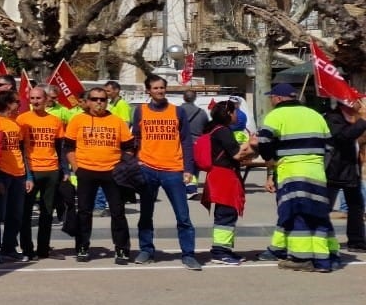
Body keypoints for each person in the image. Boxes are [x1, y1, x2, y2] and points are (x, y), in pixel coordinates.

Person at [251, 83, 335, 271]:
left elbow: (264, 142)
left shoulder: (275, 116)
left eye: (271, 97)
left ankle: (300, 258)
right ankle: (325, 259)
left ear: (279, 98)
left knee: (297, 213)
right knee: (318, 213)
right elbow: (330, 146)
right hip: (317, 171)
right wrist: (320, 165)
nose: (270, 100)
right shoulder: (315, 115)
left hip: (291, 171)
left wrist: (270, 161)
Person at [131, 75, 201, 269]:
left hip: (173, 170)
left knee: (183, 215)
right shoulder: (140, 111)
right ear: (149, 91)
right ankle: (146, 250)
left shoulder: (177, 112)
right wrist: (135, 163)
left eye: (162, 87)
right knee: (146, 213)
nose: (160, 91)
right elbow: (135, 139)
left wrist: (188, 168)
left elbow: (186, 142)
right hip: (147, 168)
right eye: (155, 88)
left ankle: (188, 254)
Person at [63, 86, 134, 263]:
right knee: (84, 212)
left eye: (102, 99)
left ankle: (122, 249)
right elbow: (68, 147)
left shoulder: (116, 121)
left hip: (112, 172)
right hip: (86, 170)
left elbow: (129, 148)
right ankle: (82, 246)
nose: (99, 102)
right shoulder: (77, 120)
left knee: (118, 212)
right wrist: (76, 167)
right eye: (95, 99)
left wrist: (121, 166)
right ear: (87, 102)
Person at [16, 85, 67, 259]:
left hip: (51, 170)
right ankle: (27, 250)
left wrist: (64, 169)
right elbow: (20, 148)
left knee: (47, 212)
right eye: (32, 98)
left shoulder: (55, 121)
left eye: (39, 98)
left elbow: (60, 148)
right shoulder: (22, 120)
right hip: (31, 171)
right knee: (26, 213)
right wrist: (26, 172)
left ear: (46, 100)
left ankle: (43, 249)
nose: (35, 101)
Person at [201, 99, 246, 263]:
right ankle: (220, 251)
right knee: (226, 213)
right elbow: (236, 154)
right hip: (224, 176)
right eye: (235, 112)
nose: (237, 115)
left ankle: (224, 248)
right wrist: (251, 144)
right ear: (228, 113)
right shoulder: (224, 131)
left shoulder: (213, 129)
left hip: (217, 175)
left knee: (225, 212)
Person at [324, 98, 366, 254]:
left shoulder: (355, 118)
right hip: (334, 169)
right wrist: (362, 122)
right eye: (357, 103)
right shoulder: (332, 117)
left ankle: (357, 241)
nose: (359, 105)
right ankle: (321, 236)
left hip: (351, 169)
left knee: (356, 206)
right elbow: (343, 137)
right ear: (346, 104)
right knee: (325, 206)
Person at [0, 90, 28, 263]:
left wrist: (28, 176)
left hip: (19, 174)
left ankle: (9, 247)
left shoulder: (16, 124)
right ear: (7, 104)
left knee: (15, 214)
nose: (19, 106)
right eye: (16, 103)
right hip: (3, 173)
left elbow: (20, 150)